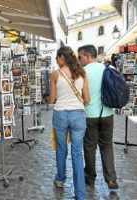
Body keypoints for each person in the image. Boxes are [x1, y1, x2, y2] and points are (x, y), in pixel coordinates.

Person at [48, 46, 90, 200]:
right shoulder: (82, 74)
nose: (56, 61)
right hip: (78, 115)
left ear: (62, 57)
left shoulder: (55, 74)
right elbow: (87, 99)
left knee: (61, 149)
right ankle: (80, 194)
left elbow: (52, 100)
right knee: (77, 153)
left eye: (57, 58)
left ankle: (60, 179)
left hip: (60, 114)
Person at [77, 45, 118, 189]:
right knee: (107, 146)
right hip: (107, 113)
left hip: (90, 115)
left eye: (80, 56)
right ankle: (111, 179)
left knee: (89, 147)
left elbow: (80, 95)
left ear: (87, 56)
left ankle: (90, 177)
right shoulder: (107, 69)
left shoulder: (82, 72)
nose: (79, 60)